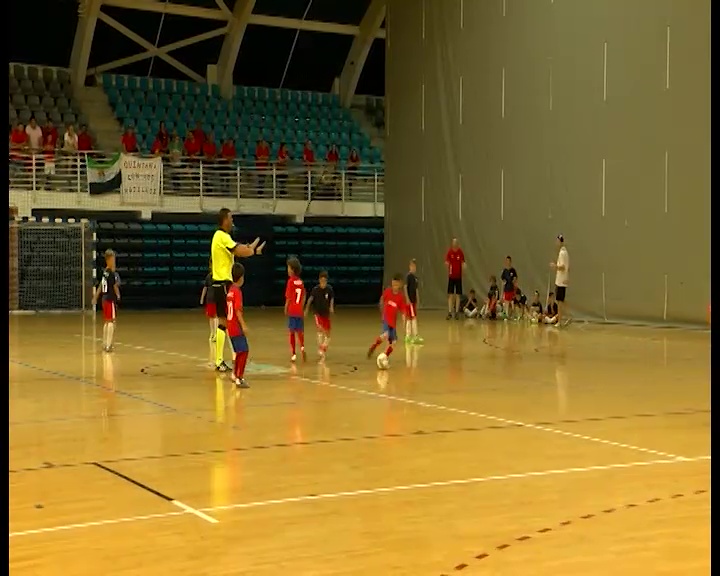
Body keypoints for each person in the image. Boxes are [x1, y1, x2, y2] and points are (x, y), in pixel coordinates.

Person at [210, 208, 265, 372]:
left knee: (223, 322)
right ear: (224, 220)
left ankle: (220, 359)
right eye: (231, 218)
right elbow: (238, 250)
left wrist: (248, 247)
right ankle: (229, 357)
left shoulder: (221, 237)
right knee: (228, 321)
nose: (232, 221)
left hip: (218, 284)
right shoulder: (222, 236)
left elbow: (237, 248)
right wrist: (253, 250)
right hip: (223, 284)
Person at [367, 273, 407, 365]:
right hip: (386, 319)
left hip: (393, 323)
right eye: (393, 285)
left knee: (394, 342)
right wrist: (382, 309)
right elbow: (382, 300)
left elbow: (403, 312)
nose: (394, 287)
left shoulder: (400, 297)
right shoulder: (388, 292)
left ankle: (385, 356)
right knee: (385, 334)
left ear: (400, 284)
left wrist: (404, 323)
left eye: (396, 285)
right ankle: (374, 346)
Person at [226, 263, 250, 389]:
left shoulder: (230, 291)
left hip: (230, 326)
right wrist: (244, 325)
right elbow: (237, 310)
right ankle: (239, 377)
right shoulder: (237, 292)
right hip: (236, 326)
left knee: (238, 352)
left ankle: (234, 374)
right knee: (244, 351)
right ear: (241, 278)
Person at [92, 249, 121, 353]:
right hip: (109, 299)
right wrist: (118, 295)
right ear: (108, 260)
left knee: (107, 321)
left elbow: (100, 285)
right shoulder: (111, 273)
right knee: (111, 322)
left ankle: (105, 344)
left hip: (104, 298)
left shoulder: (105, 272)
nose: (114, 261)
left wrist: (96, 296)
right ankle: (108, 345)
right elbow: (114, 286)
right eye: (113, 259)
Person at [305, 270, 335, 359]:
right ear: (319, 280)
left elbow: (332, 298)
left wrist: (331, 307)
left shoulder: (329, 289)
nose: (323, 283)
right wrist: (306, 309)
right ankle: (320, 348)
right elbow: (310, 299)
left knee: (328, 334)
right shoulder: (315, 290)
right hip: (317, 313)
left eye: (324, 281)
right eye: (321, 281)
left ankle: (323, 348)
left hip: (326, 313)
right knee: (320, 329)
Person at [285, 256, 306, 362]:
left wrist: (286, 308)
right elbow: (304, 295)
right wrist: (302, 306)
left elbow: (288, 297)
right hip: (299, 311)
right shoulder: (301, 282)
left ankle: (293, 353)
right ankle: (302, 347)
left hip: (292, 310)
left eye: (288, 268)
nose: (287, 270)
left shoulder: (290, 281)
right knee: (300, 331)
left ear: (292, 269)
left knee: (292, 332)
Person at [549, 234, 570, 326]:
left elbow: (562, 267)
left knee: (560, 302)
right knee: (561, 300)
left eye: (558, 241)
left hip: (561, 281)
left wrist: (555, 266)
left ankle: (560, 321)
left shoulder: (562, 253)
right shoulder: (565, 252)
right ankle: (568, 316)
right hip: (562, 280)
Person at [199, 260, 217, 366]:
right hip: (210, 300)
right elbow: (205, 288)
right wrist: (202, 298)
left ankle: (216, 333)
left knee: (216, 317)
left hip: (216, 300)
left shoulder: (219, 277)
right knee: (211, 317)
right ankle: (212, 333)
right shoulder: (209, 277)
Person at [445, 238, 466, 319]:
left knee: (458, 295)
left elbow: (463, 261)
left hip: (458, 277)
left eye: (456, 242)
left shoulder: (460, 252)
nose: (455, 244)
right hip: (451, 276)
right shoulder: (450, 252)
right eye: (453, 242)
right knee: (450, 294)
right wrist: (447, 263)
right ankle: (450, 312)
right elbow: (446, 261)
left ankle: (456, 312)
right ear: (452, 243)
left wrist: (464, 265)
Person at [404, 259, 423, 344]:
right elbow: (405, 287)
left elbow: (416, 289)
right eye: (412, 266)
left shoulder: (415, 278)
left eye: (415, 266)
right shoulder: (408, 276)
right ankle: (410, 336)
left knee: (413, 317)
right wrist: (407, 299)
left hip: (414, 301)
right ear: (410, 266)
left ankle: (412, 336)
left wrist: (418, 299)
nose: (413, 267)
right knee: (411, 318)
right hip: (410, 301)